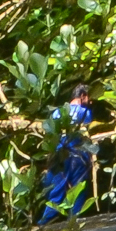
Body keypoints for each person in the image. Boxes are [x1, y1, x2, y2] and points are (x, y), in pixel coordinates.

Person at [38, 83, 98, 223]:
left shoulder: (56, 113)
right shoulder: (85, 113)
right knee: (78, 192)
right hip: (77, 158)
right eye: (89, 98)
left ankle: (41, 226)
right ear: (82, 96)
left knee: (55, 195)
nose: (90, 102)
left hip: (58, 156)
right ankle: (74, 226)